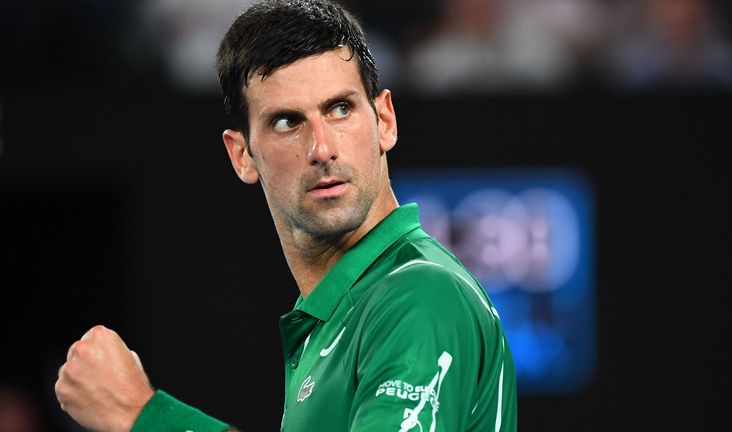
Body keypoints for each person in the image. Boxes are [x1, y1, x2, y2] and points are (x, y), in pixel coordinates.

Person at [53, 0, 518, 430]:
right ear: (242, 156)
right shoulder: (337, 316)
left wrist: (141, 415)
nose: (321, 148)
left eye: (340, 109)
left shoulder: (418, 294)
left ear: (384, 121)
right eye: (287, 122)